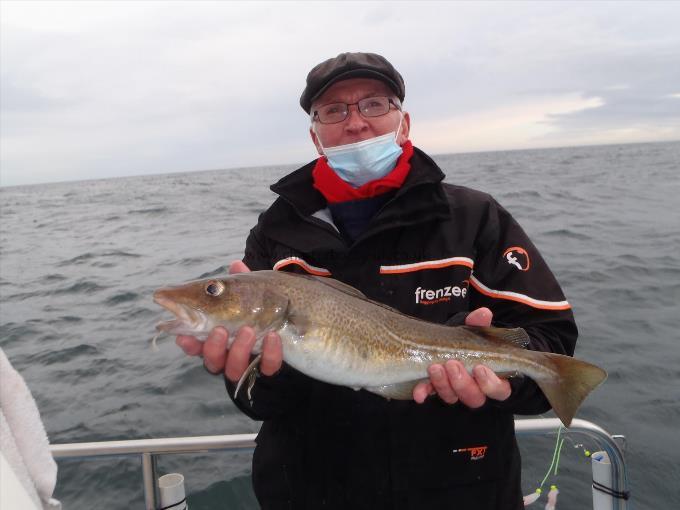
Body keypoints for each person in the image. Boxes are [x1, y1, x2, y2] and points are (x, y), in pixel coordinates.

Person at [177, 52, 578, 509]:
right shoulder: (275, 233)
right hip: (309, 492)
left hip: (462, 491)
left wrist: (505, 380)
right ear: (315, 135)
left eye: (374, 104)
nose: (355, 123)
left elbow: (553, 344)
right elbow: (258, 402)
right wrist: (259, 372)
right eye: (334, 110)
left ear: (403, 124)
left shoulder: (474, 218)